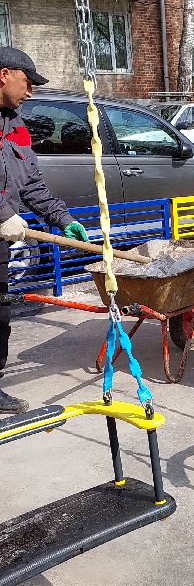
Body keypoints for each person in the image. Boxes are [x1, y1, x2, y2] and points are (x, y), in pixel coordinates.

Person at [0, 46, 89, 414]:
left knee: (0, 313)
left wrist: (63, 219)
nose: (31, 91)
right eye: (27, 82)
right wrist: (2, 213)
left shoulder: (16, 125)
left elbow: (32, 184)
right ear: (4, 74)